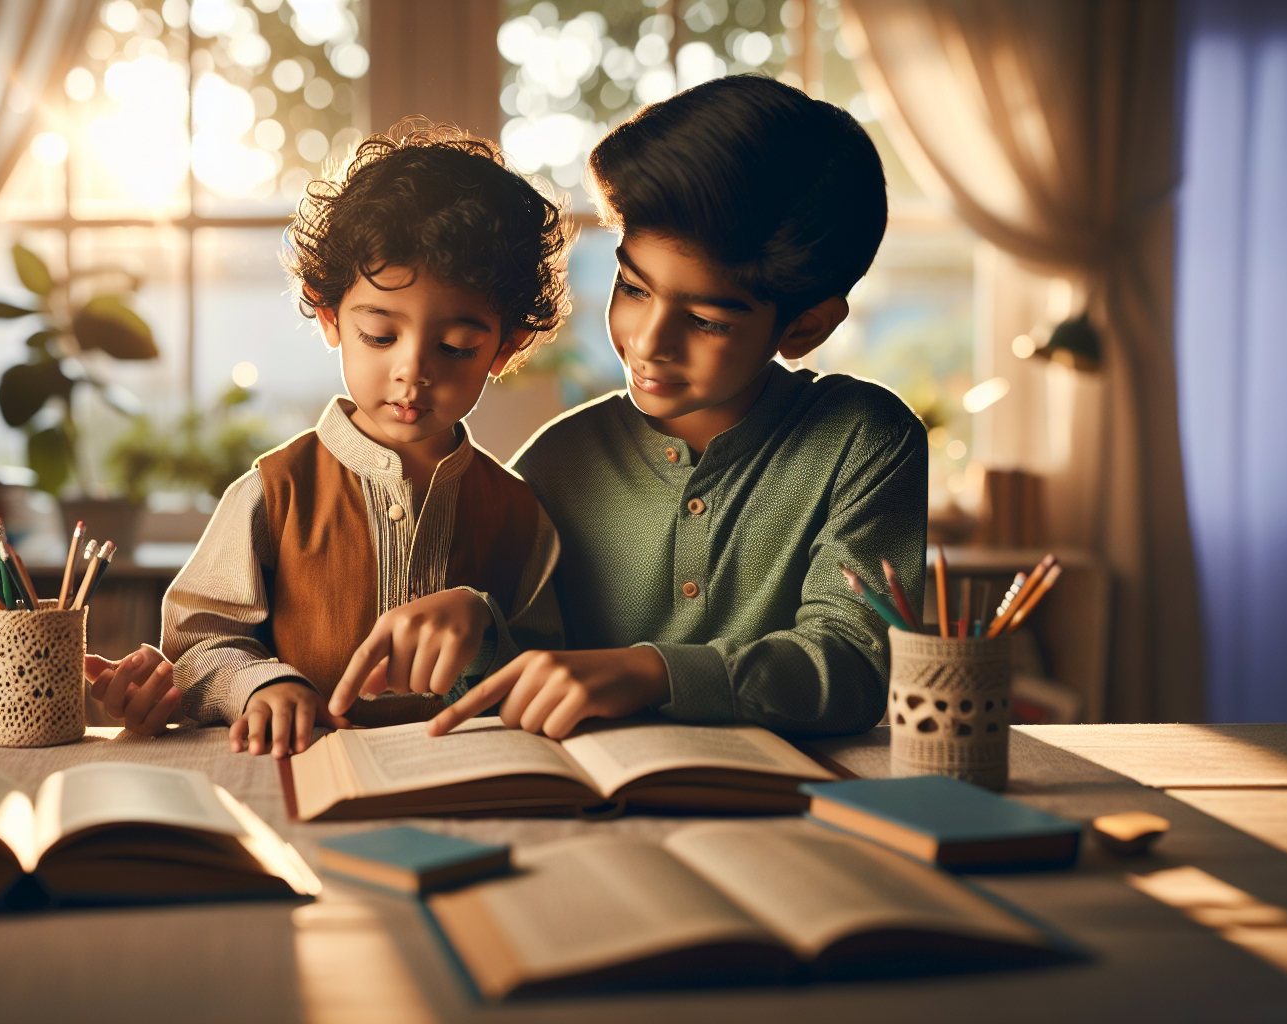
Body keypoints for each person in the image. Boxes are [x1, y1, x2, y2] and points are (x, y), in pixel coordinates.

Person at [330, 75, 928, 740]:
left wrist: (652, 672)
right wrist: (475, 630)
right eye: (633, 288)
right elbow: (517, 671)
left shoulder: (864, 440)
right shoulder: (557, 463)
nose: (648, 342)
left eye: (705, 321)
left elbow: (856, 664)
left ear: (805, 328)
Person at [84, 122, 571, 757]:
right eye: (380, 335)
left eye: (457, 347)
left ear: (505, 350)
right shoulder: (274, 492)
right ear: (329, 314)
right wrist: (261, 685)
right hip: (300, 778)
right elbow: (198, 644)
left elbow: (550, 662)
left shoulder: (517, 511)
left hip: (473, 784)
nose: (413, 371)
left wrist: (485, 639)